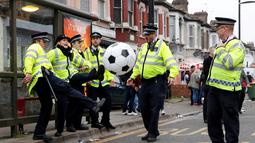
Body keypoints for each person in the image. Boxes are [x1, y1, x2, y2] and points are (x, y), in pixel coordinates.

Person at [23, 32, 105, 141]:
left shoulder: (62, 52)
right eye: (44, 41)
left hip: (43, 79)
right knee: (67, 90)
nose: (45, 44)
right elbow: (29, 58)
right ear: (38, 40)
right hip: (43, 77)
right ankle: (93, 104)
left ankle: (39, 133)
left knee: (47, 107)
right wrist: (28, 72)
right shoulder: (35, 47)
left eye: (46, 42)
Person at [127, 23, 179, 142]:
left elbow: (171, 62)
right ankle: (151, 130)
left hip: (157, 82)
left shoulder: (162, 46)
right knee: (143, 108)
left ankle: (152, 133)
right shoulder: (144, 47)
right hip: (145, 82)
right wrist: (132, 76)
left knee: (155, 108)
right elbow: (138, 64)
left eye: (148, 35)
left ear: (154, 34)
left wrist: (172, 75)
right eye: (145, 35)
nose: (146, 37)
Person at [47, 34, 105, 136]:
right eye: (63, 40)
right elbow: (46, 64)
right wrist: (52, 75)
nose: (66, 42)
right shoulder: (54, 52)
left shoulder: (68, 52)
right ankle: (61, 129)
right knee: (63, 107)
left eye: (67, 41)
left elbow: (81, 63)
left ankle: (94, 79)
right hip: (60, 83)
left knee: (79, 100)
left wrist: (83, 69)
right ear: (58, 42)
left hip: (69, 80)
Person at [206, 17, 245, 143]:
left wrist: (219, 50)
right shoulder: (222, 44)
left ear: (225, 28)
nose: (216, 31)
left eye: (218, 28)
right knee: (212, 121)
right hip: (214, 88)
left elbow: (230, 62)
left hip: (229, 90)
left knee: (230, 123)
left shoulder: (237, 44)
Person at [84, 32, 116, 129]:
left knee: (108, 101)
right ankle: (95, 122)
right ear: (91, 40)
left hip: (103, 82)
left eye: (97, 38)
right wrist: (87, 79)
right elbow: (85, 67)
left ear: (100, 40)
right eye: (93, 38)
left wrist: (111, 79)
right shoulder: (86, 52)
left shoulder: (105, 51)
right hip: (92, 83)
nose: (95, 40)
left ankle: (105, 120)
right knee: (93, 103)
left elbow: (108, 67)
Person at [201, 47, 215, 123]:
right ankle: (206, 117)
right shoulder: (207, 60)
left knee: (212, 101)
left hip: (212, 83)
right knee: (206, 101)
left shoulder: (214, 60)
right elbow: (206, 72)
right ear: (210, 52)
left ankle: (211, 117)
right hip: (207, 83)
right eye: (214, 51)